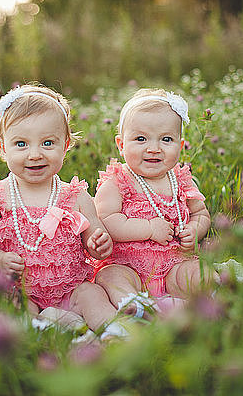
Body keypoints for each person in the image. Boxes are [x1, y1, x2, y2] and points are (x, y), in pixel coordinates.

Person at [0, 84, 122, 335]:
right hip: (18, 288)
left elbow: (94, 236)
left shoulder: (75, 196)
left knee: (92, 294)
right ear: (2, 147)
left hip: (69, 289)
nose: (34, 154)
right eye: (21, 144)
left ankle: (115, 333)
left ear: (65, 145)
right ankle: (39, 337)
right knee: (13, 307)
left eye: (47, 143)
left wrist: (99, 244)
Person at [94, 88, 215, 318]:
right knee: (109, 276)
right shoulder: (117, 182)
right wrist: (148, 228)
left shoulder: (180, 179)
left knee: (197, 273)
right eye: (140, 139)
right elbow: (105, 221)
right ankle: (135, 304)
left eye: (166, 139)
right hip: (129, 266)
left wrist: (194, 229)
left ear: (180, 146)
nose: (153, 148)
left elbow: (201, 213)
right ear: (121, 145)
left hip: (173, 264)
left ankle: (202, 300)